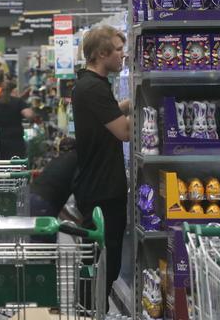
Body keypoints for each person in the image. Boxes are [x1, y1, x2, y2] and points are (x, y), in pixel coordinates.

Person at [71, 25, 130, 307]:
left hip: (97, 185)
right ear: (101, 53)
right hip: (102, 189)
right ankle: (92, 310)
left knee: (98, 257)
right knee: (105, 258)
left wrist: (127, 106)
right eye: (118, 50)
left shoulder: (89, 84)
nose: (123, 56)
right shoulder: (93, 88)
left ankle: (93, 308)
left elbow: (104, 116)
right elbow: (124, 133)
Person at [29, 137, 78, 242]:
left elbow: (56, 205)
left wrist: (76, 224)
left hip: (31, 198)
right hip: (43, 205)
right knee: (45, 251)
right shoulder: (77, 162)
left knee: (39, 249)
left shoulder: (56, 161)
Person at [0, 72, 34, 160]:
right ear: (12, 90)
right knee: (16, 165)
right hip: (15, 140)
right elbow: (29, 115)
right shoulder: (18, 102)